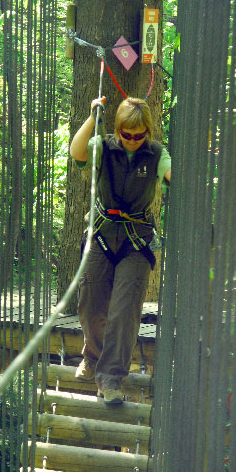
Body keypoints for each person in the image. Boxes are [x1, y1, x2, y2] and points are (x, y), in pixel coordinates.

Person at [69, 95, 171, 405]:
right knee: (90, 300)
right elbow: (76, 152)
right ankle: (93, 356)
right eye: (126, 134)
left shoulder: (156, 154)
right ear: (118, 129)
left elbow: (170, 174)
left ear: (147, 132)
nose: (132, 140)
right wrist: (91, 118)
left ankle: (111, 379)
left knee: (125, 310)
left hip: (136, 240)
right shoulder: (103, 146)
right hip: (102, 233)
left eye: (139, 135)